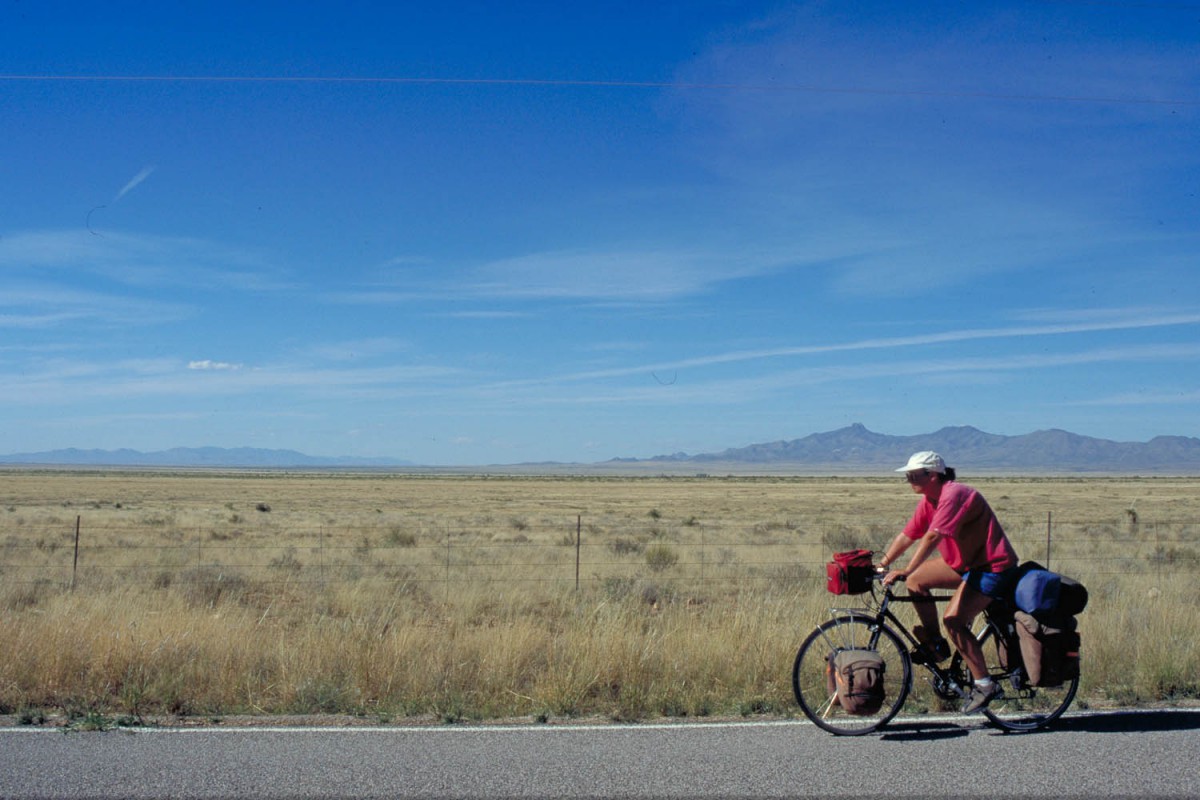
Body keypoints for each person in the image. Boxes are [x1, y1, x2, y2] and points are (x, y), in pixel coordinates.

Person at [877, 451, 1020, 714]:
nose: (908, 479)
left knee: (954, 620)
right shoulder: (929, 500)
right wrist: (882, 564)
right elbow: (908, 535)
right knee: (917, 581)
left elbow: (932, 538)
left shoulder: (954, 495)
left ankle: (984, 684)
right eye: (907, 475)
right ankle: (936, 645)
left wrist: (907, 569)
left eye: (913, 475)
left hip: (992, 567)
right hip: (965, 565)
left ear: (932, 475)